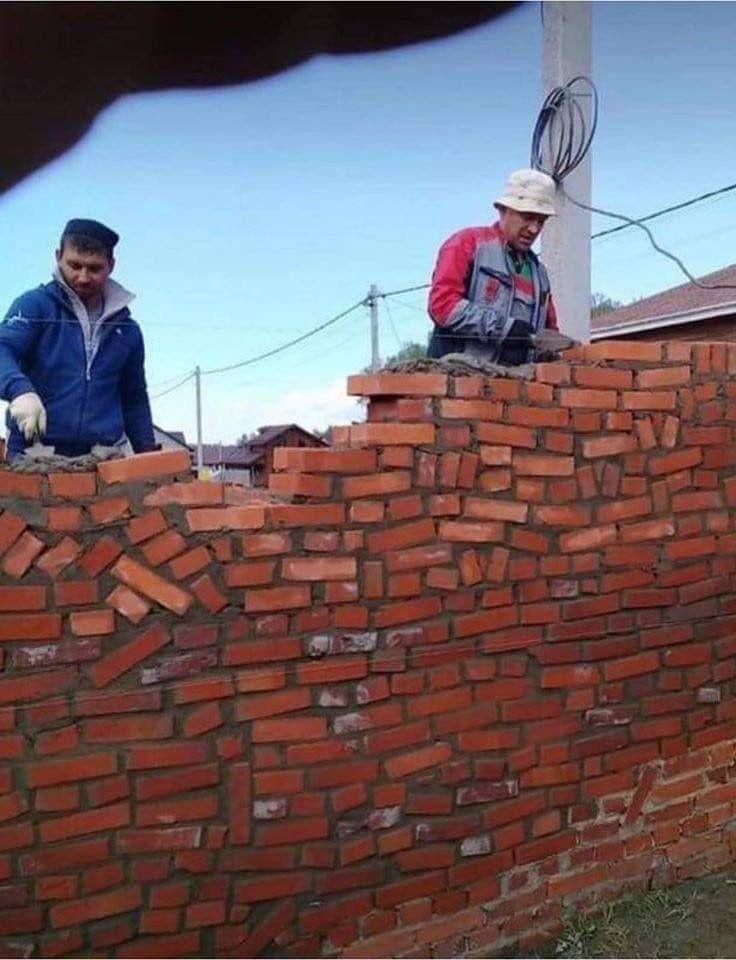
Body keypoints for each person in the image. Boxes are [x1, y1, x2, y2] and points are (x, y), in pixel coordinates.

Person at [0, 218, 156, 460]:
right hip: (33, 454)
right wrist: (19, 390)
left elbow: (134, 399)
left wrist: (149, 457)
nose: (83, 277)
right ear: (58, 257)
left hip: (103, 459)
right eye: (74, 265)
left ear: (111, 265)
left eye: (94, 268)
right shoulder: (34, 306)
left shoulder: (127, 330)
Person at [428, 168, 560, 365]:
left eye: (541, 221)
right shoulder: (467, 244)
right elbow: (442, 305)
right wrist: (502, 328)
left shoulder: (539, 275)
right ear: (502, 209)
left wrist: (550, 353)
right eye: (527, 217)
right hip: (458, 377)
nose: (534, 229)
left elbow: (549, 331)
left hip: (517, 382)